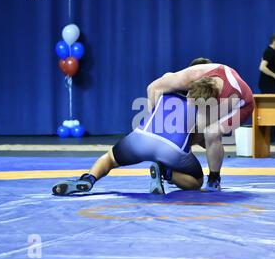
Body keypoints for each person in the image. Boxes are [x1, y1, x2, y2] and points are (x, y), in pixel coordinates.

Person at [52, 84, 218, 196]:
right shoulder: (204, 107)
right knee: (197, 181)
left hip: (141, 138)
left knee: (109, 158)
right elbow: (201, 140)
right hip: (172, 149)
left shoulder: (165, 88)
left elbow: (152, 88)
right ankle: (166, 172)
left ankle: (89, 179)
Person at [147, 60, 254, 192]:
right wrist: (154, 127)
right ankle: (171, 165)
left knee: (211, 133)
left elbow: (200, 128)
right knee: (166, 78)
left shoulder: (230, 98)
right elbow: (153, 88)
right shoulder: (189, 77)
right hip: (213, 93)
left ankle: (214, 179)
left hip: (243, 106)